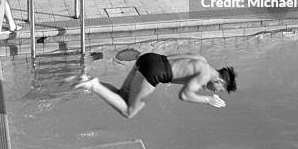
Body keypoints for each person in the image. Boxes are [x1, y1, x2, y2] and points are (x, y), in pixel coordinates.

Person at [75, 52, 236, 119]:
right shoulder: (206, 74)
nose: (216, 91)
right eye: (219, 90)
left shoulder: (202, 60)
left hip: (150, 58)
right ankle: (94, 85)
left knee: (121, 95)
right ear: (221, 81)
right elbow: (185, 95)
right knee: (129, 111)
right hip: (155, 72)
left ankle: (86, 80)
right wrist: (208, 100)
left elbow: (178, 64)